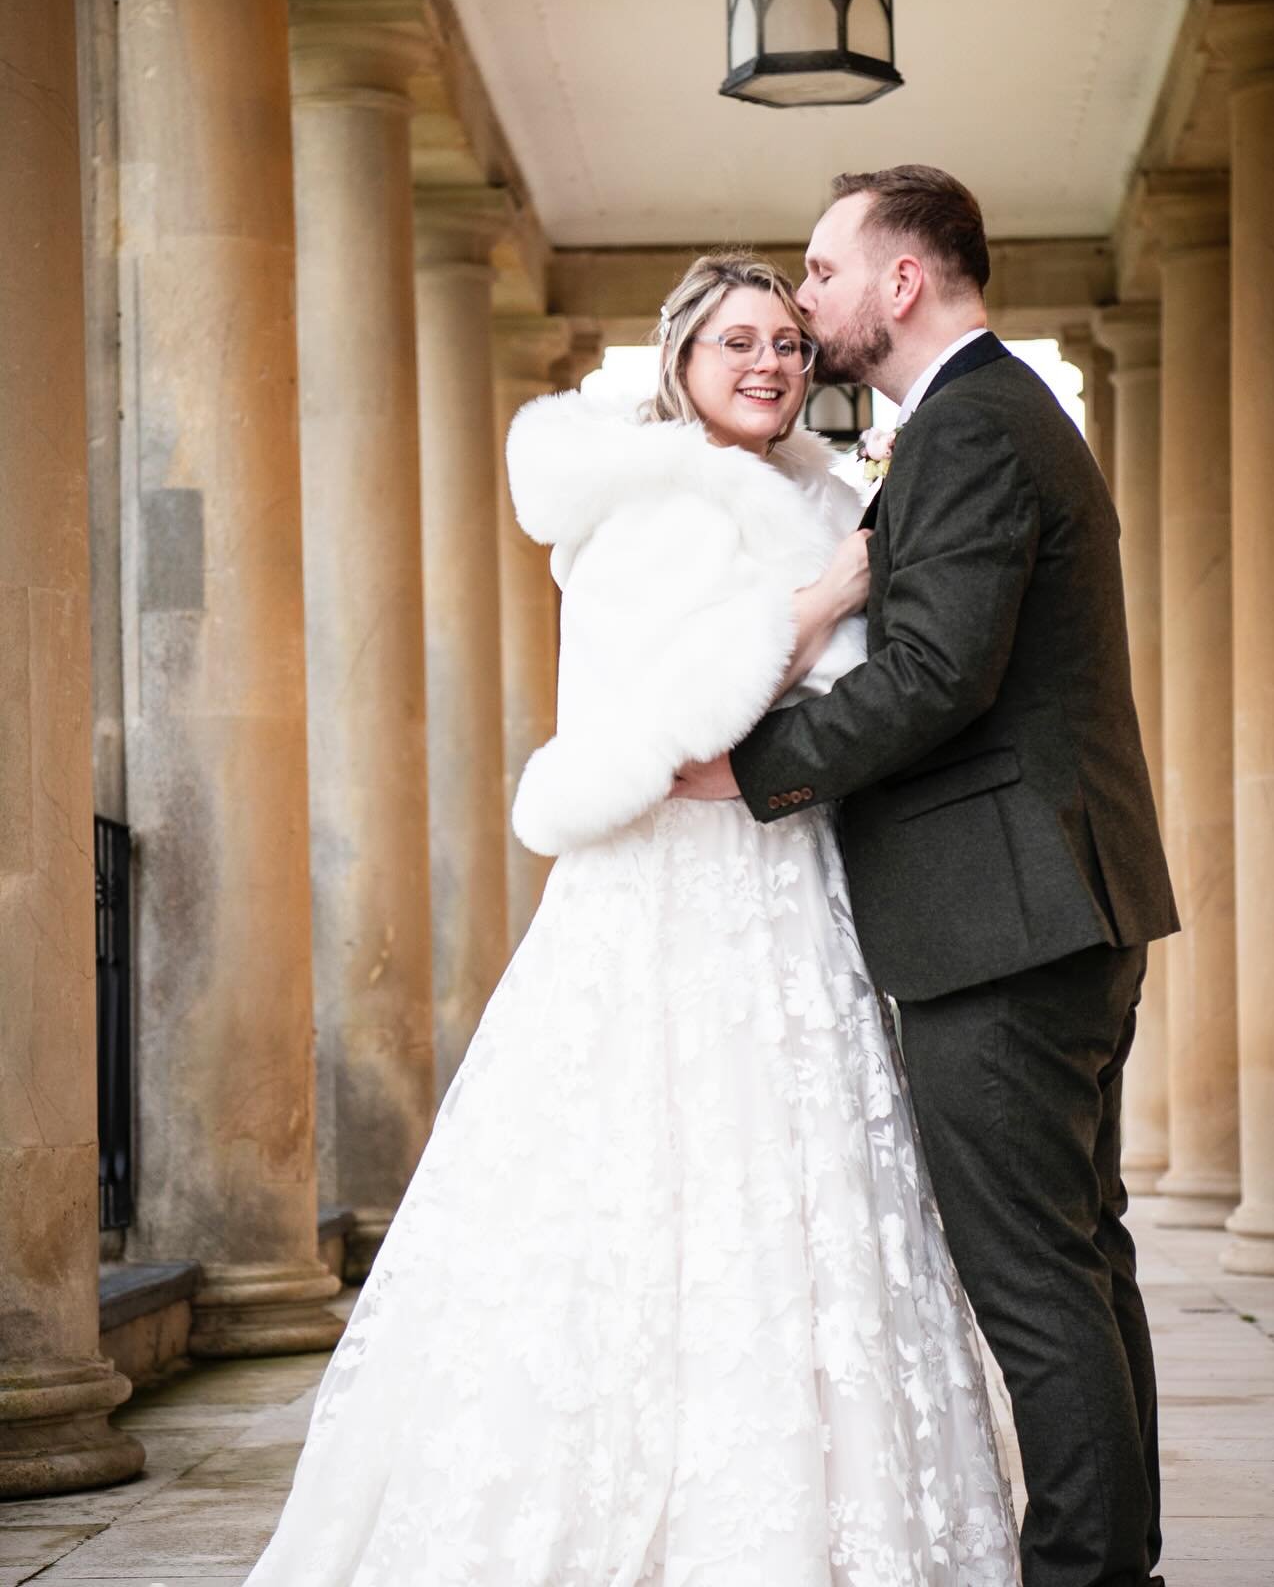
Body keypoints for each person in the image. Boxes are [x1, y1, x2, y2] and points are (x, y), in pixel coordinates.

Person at [242, 253, 1022, 1587]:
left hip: (786, 892)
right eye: (736, 342)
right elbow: (669, 709)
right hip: (664, 893)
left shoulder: (820, 499)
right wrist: (827, 595)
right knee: (635, 1186)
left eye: (785, 339)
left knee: (792, 1206)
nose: (769, 362)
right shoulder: (655, 504)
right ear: (679, 360)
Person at [676, 168, 1180, 1587]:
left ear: (902, 281)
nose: (806, 299)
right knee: (1078, 1260)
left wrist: (755, 766)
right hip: (1044, 903)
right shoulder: (987, 418)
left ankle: (1087, 1573)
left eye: (824, 273)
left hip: (1001, 923)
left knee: (1033, 1282)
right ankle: (1117, 1566)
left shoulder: (970, 426)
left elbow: (939, 674)